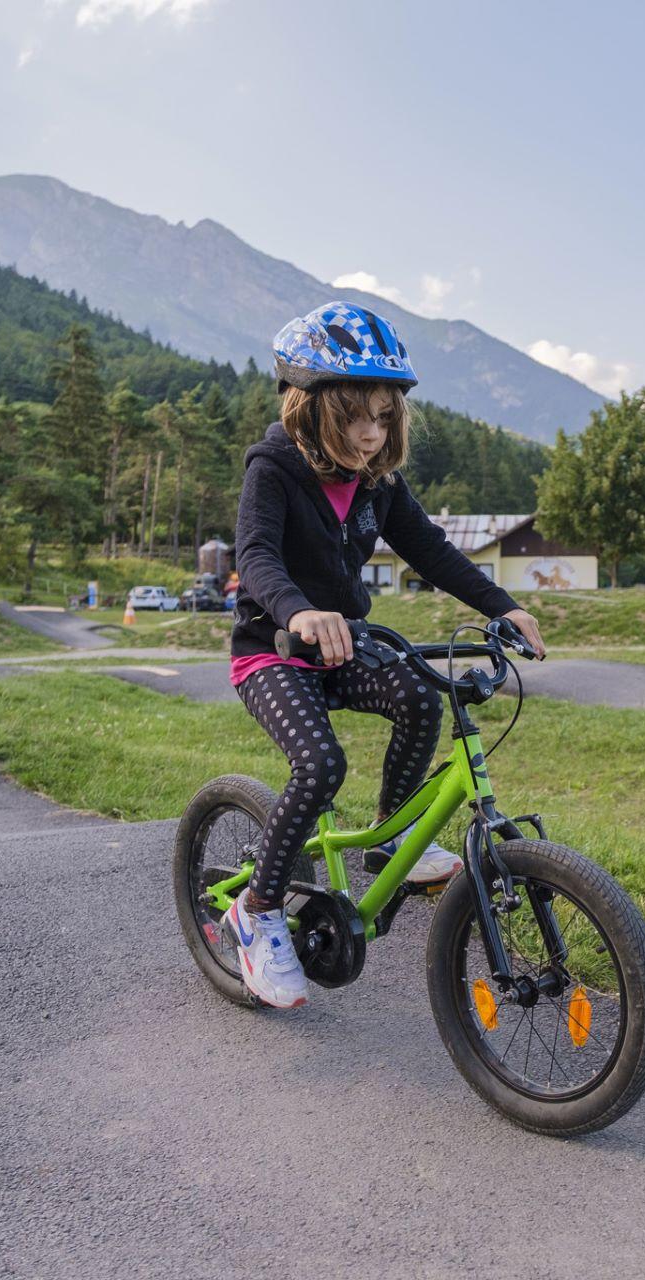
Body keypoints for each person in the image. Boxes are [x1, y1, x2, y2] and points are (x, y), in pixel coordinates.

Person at [225, 302, 547, 1008]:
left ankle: (386, 850)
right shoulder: (273, 467)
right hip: (273, 650)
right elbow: (255, 557)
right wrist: (299, 612)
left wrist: (503, 607)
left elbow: (428, 548)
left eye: (383, 417)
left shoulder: (378, 481)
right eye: (355, 418)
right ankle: (258, 912)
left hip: (343, 645)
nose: (371, 435)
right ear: (309, 410)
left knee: (415, 695)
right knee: (320, 763)